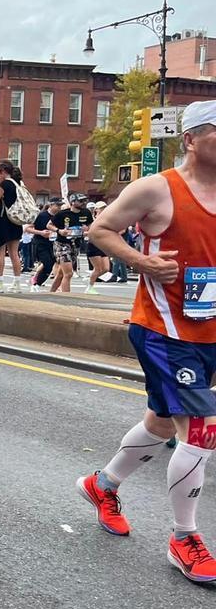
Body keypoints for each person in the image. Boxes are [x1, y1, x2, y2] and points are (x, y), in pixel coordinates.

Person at [76, 100, 216, 583]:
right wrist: (143, 261)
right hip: (163, 330)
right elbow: (100, 230)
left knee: (159, 424)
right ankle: (185, 538)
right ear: (192, 139)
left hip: (209, 330)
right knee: (201, 428)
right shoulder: (158, 188)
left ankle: (102, 484)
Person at [0, 159, 27, 293]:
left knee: (0, 252)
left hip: (2, 220)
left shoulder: (4, 184)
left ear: (3, 171)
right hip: (15, 221)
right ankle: (17, 283)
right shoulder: (19, 183)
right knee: (14, 253)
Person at [51, 194, 92, 294]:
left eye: (84, 201)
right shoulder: (63, 214)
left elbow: (91, 226)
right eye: (81, 201)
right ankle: (67, 297)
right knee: (69, 273)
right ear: (73, 202)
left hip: (75, 244)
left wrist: (87, 229)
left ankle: (51, 292)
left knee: (61, 273)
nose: (84, 203)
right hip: (62, 244)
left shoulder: (86, 213)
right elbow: (49, 225)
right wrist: (59, 231)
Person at [26, 198, 63, 291]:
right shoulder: (41, 215)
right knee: (47, 264)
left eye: (60, 206)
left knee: (52, 265)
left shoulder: (60, 216)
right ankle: (36, 283)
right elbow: (27, 228)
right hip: (40, 243)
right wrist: (41, 232)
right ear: (50, 205)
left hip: (54, 243)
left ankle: (38, 283)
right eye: (57, 205)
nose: (59, 208)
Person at [84, 200, 110, 295]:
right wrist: (93, 233)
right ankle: (90, 287)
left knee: (106, 268)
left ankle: (91, 277)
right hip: (93, 244)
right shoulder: (92, 219)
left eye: (104, 208)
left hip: (103, 245)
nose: (103, 210)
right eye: (101, 208)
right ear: (96, 210)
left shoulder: (107, 219)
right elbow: (85, 232)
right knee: (98, 268)